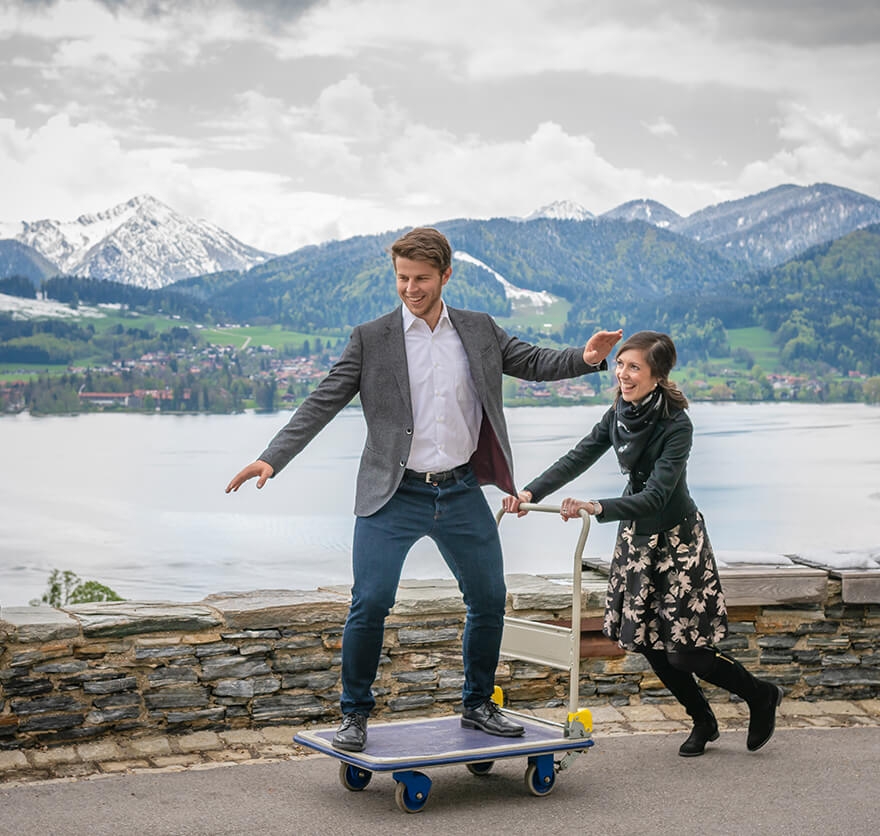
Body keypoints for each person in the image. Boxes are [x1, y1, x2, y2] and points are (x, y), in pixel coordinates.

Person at [226, 226, 623, 753]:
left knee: (488, 599)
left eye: (421, 278)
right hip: (393, 493)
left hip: (460, 491)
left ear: (445, 277)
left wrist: (587, 358)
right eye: (402, 278)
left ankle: (479, 705)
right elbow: (323, 400)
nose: (410, 288)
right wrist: (272, 457)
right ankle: (354, 716)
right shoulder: (372, 339)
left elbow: (531, 361)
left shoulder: (479, 330)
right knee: (370, 602)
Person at [502, 330, 784, 757]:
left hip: (679, 543)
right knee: (648, 640)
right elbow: (579, 455)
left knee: (687, 653)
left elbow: (657, 495)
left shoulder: (676, 425)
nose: (622, 374)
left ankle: (760, 695)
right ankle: (702, 720)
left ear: (657, 375)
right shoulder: (618, 411)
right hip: (637, 540)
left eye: (634, 367)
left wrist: (596, 506)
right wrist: (529, 494)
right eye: (620, 364)